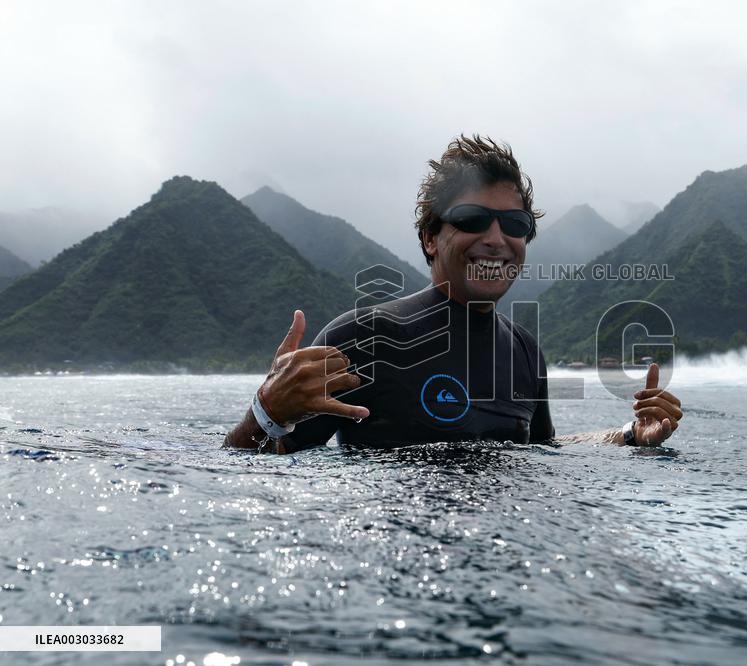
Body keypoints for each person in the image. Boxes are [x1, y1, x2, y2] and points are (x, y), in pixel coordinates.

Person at [224, 135, 682, 453]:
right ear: (430, 237)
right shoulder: (364, 337)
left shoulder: (524, 353)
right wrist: (265, 413)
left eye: (514, 224)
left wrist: (629, 435)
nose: (496, 239)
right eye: (472, 219)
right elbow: (258, 468)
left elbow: (544, 451)